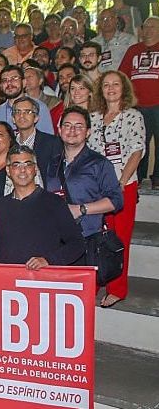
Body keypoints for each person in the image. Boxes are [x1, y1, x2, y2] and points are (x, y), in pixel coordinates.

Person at [45, 106, 124, 283]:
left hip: (86, 241)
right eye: (67, 125)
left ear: (88, 132)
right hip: (58, 242)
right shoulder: (53, 163)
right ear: (59, 129)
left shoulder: (99, 163)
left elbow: (117, 200)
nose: (72, 130)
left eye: (79, 126)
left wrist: (81, 209)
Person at [88, 71, 145, 308]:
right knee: (94, 237)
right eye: (106, 85)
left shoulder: (133, 116)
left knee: (119, 238)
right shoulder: (93, 118)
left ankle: (117, 288)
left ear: (124, 88)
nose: (111, 88)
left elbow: (137, 151)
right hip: (96, 188)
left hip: (123, 186)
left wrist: (120, 182)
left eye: (116, 85)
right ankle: (95, 281)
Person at [0, 145, 85, 266]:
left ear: (35, 169)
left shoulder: (54, 203)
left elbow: (77, 244)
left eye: (27, 164)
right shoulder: (1, 206)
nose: (22, 170)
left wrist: (49, 261)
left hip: (42, 280)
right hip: (8, 280)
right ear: (8, 170)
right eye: (16, 165)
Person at [120, 16, 159, 189]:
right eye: (146, 26)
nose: (149, 29)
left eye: (153, 26)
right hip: (137, 106)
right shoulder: (133, 50)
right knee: (139, 143)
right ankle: (139, 176)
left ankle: (157, 179)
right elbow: (122, 76)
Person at [11, 96, 62, 187]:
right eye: (18, 112)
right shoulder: (9, 144)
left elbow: (57, 177)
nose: (22, 116)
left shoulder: (52, 143)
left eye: (27, 112)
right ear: (13, 119)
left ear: (36, 118)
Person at [0, 65, 54, 134]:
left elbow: (48, 139)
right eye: (4, 80)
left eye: (14, 78)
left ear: (24, 82)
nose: (9, 83)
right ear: (1, 86)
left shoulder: (39, 107)